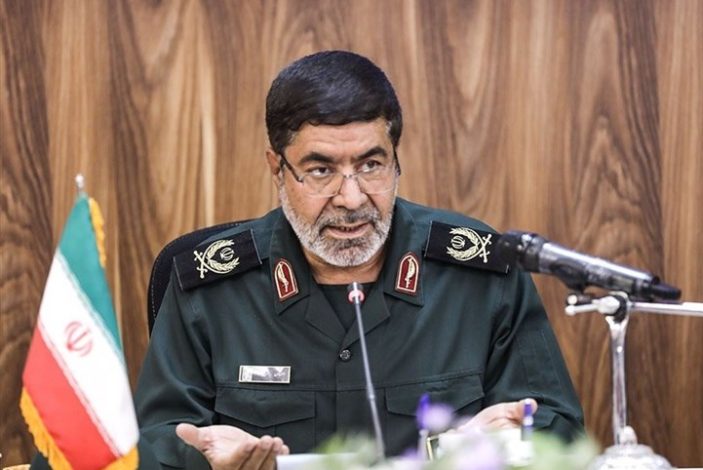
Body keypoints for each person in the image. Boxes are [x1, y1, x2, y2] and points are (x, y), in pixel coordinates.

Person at [134, 50, 584, 469]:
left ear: (395, 160)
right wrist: (207, 462)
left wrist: (473, 450)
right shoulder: (211, 288)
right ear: (277, 169)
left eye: (371, 165)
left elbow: (558, 431)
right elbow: (151, 445)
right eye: (321, 170)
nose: (351, 199)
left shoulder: (481, 273)